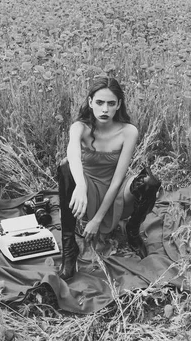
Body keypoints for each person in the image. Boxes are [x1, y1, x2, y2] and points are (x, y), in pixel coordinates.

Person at [57, 76, 161, 279]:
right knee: (65, 168)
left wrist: (96, 220)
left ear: (119, 105)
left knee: (150, 182)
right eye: (99, 102)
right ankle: (69, 249)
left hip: (116, 191)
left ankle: (132, 231)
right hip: (87, 189)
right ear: (90, 102)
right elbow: (73, 154)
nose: (105, 109)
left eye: (111, 103)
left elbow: (117, 179)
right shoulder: (80, 127)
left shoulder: (128, 131)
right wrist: (80, 186)